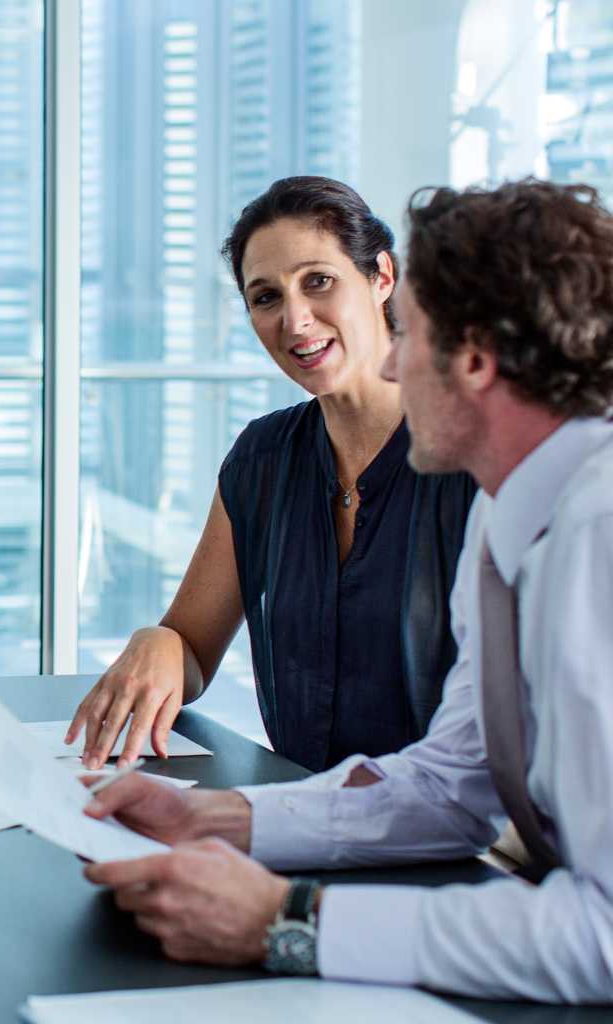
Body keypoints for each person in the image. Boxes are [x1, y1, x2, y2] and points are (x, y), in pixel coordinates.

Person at [83, 179, 613, 1003]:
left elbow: (605, 934)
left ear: (471, 358)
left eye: (415, 337)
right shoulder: (512, 519)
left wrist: (291, 920)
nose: (394, 360)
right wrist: (219, 820)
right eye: (266, 296)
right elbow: (447, 784)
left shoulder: (598, 538)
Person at [66, 177, 475, 772]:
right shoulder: (264, 458)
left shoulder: (470, 457)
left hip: (450, 836)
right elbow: (193, 649)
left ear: (381, 277)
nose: (296, 320)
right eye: (266, 298)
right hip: (299, 820)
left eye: (318, 281)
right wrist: (158, 642)